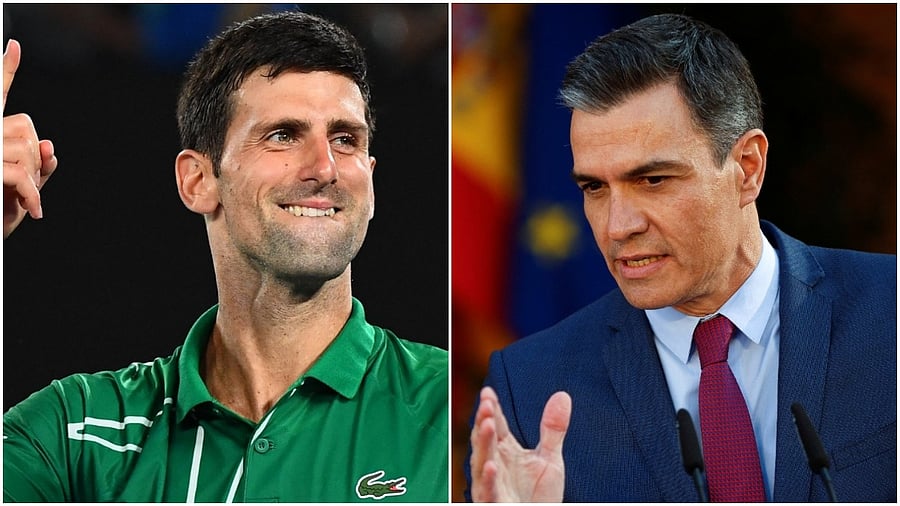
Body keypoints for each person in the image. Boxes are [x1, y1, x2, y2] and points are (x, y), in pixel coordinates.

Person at [3, 10, 448, 502]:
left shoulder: (457, 411)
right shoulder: (79, 431)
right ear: (198, 181)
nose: (326, 167)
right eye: (283, 134)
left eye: (346, 139)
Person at [465, 13, 896, 502]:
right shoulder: (529, 389)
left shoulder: (890, 311)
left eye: (653, 180)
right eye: (594, 187)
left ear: (748, 168)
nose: (617, 226)